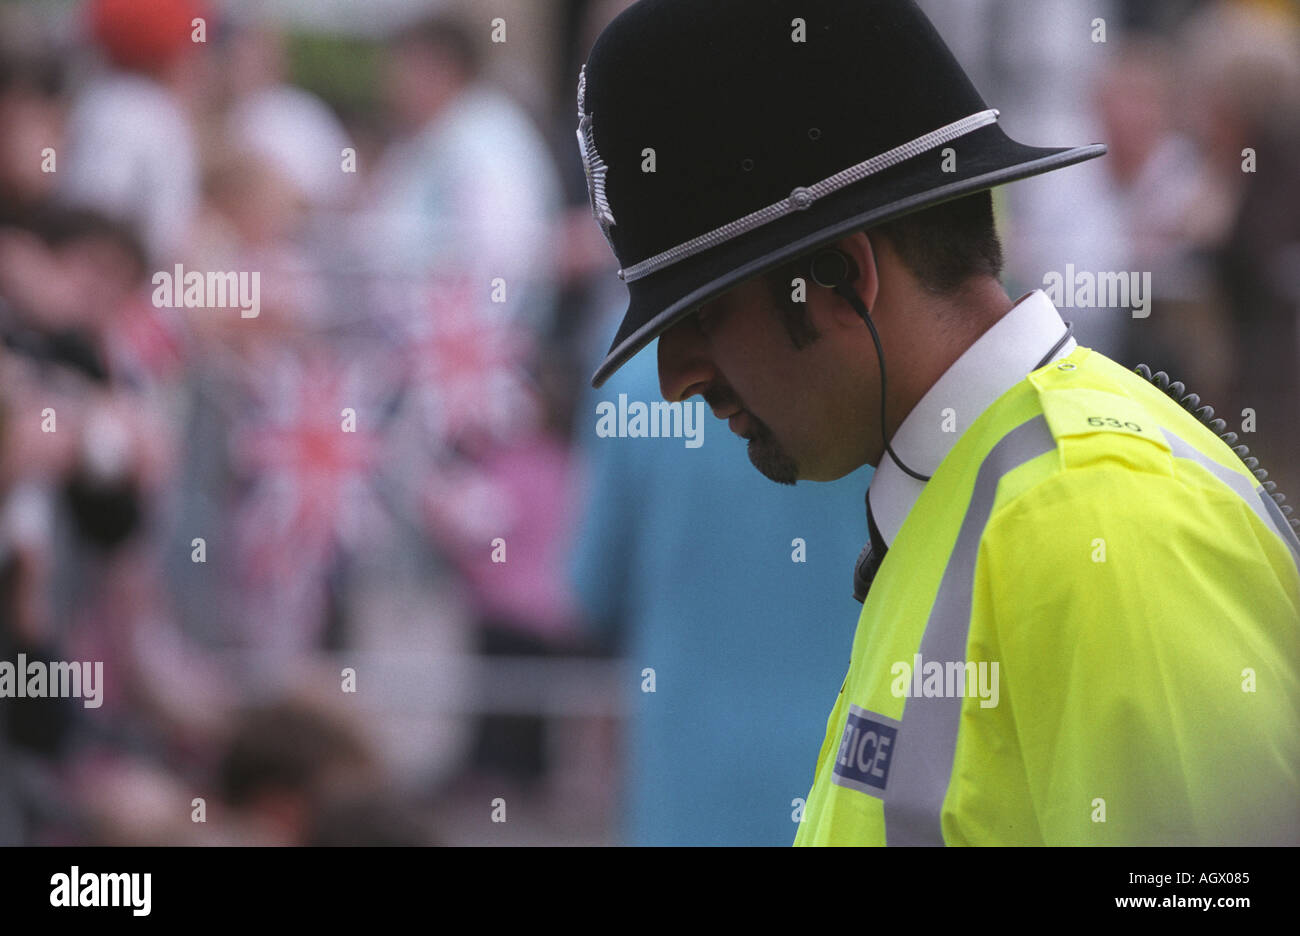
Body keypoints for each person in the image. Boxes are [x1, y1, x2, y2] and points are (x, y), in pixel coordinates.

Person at [572, 0, 1300, 845]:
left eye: (704, 316)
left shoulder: (1092, 524)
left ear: (842, 276)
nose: (675, 381)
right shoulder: (971, 496)